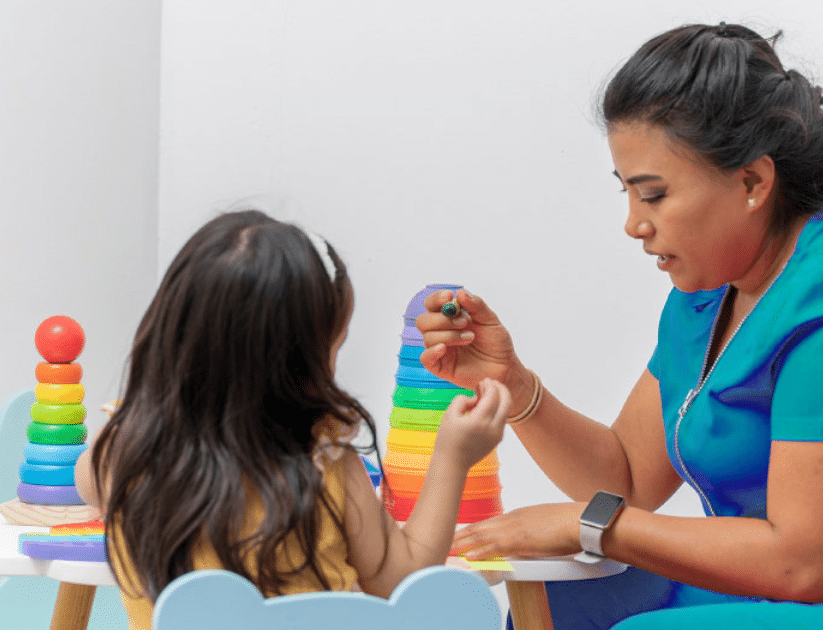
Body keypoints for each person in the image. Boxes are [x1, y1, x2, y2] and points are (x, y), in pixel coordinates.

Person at [417, 23, 823, 630]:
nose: (634, 224)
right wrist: (516, 386)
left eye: (654, 194)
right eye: (626, 193)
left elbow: (798, 566)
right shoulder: (709, 291)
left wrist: (587, 525)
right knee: (570, 602)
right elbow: (627, 481)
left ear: (752, 181)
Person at [74, 210, 511, 630]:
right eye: (334, 348)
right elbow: (404, 581)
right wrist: (453, 457)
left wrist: (147, 410)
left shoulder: (121, 452)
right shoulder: (326, 463)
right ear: (299, 365)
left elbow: (88, 485)